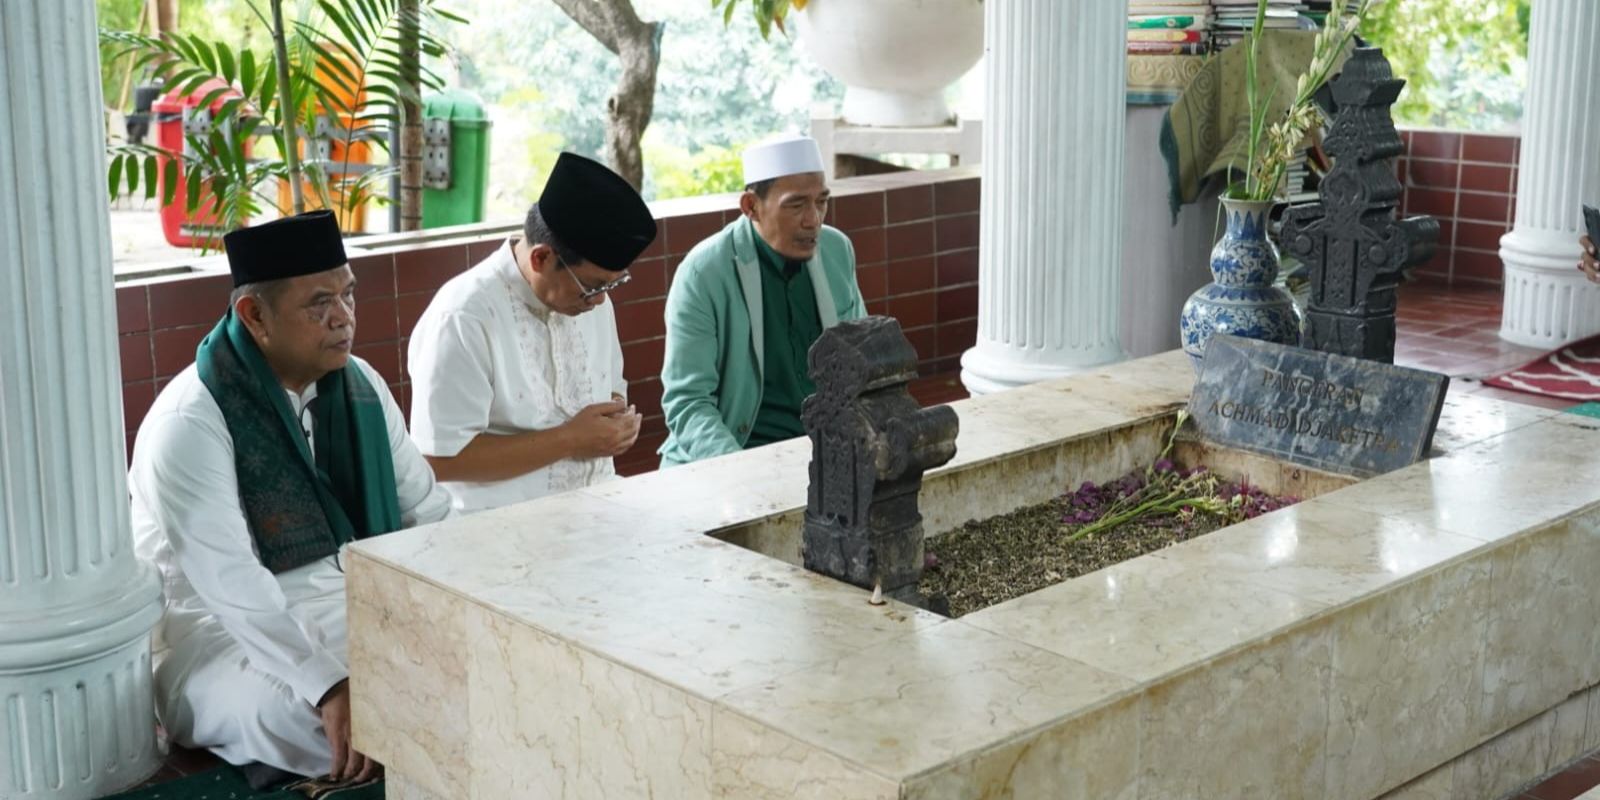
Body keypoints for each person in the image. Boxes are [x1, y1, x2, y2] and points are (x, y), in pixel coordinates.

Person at [129, 210, 453, 785]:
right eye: (318, 303)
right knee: (366, 726)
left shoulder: (361, 388)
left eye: (349, 295)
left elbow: (426, 516)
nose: (343, 319)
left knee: (475, 683)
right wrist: (328, 682)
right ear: (255, 316)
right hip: (222, 642)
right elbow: (231, 585)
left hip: (352, 602)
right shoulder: (192, 420)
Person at [406, 153, 656, 512]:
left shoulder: (589, 301)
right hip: (495, 536)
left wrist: (615, 424)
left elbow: (610, 388)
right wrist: (570, 439)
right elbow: (438, 461)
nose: (600, 301)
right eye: (592, 286)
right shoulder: (463, 316)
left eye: (613, 286)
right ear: (541, 259)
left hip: (599, 509)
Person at [657, 135, 866, 466]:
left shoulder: (837, 250)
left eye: (821, 201)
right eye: (796, 205)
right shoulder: (704, 273)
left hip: (822, 455)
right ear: (751, 206)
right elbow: (688, 403)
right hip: (731, 457)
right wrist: (741, 472)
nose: (813, 219)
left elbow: (863, 364)